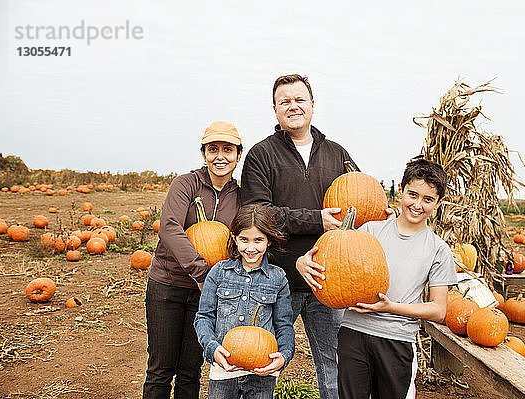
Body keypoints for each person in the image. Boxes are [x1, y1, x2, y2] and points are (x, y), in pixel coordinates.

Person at [240, 74, 362, 399]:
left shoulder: (338, 155)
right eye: (285, 101)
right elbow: (259, 214)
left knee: (335, 369)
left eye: (299, 99)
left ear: (312, 105)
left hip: (329, 282)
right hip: (277, 279)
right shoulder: (261, 155)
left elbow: (359, 205)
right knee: (261, 364)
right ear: (275, 110)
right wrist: (316, 221)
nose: (293, 106)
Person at [300, 158, 457, 399]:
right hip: (352, 333)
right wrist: (301, 262)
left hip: (397, 340)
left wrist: (390, 307)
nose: (417, 204)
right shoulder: (370, 231)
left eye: (428, 199)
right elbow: (337, 261)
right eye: (412, 195)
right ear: (401, 190)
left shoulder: (438, 249)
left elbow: (438, 309)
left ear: (439, 202)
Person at [143, 121, 242, 399]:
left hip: (207, 295)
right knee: (160, 369)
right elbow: (170, 227)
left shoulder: (241, 196)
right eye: (213, 149)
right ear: (203, 153)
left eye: (227, 149)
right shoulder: (185, 184)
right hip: (168, 287)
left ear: (238, 155)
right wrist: (201, 274)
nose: (220, 156)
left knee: (190, 369)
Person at [195, 204, 295, 399]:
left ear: (269, 241)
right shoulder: (219, 272)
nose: (250, 248)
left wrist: (284, 355)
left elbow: (284, 325)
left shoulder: (278, 278)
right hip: (224, 370)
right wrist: (212, 349)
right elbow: (204, 317)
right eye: (244, 240)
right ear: (235, 238)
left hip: (263, 372)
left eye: (258, 240)